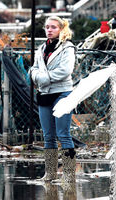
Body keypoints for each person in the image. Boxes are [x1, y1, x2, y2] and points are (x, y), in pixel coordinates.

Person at [29, 16, 77, 183]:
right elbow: (34, 68)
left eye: (53, 27)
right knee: (48, 136)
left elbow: (65, 70)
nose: (49, 30)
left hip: (62, 92)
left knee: (63, 134)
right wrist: (35, 75)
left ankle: (69, 174)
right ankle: (50, 173)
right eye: (47, 27)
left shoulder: (67, 47)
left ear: (61, 29)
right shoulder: (41, 48)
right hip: (44, 94)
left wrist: (43, 78)